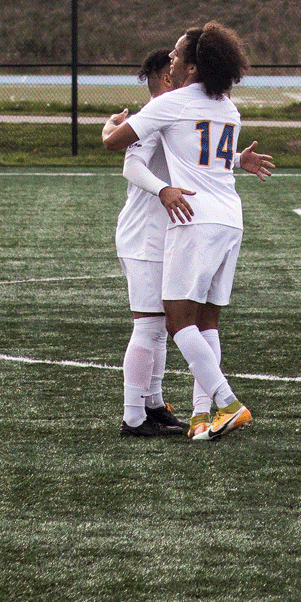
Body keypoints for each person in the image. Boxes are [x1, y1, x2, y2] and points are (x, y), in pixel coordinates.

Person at [102, 22, 272, 441]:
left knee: (175, 323)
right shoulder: (227, 107)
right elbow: (201, 153)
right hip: (228, 217)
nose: (172, 60)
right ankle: (198, 417)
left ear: (194, 66)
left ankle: (225, 404)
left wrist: (107, 127)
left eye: (178, 55)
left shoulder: (172, 104)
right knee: (203, 323)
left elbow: (113, 145)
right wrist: (236, 161)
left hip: (192, 220)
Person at [114, 49, 188, 437]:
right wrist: (163, 190)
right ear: (166, 78)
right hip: (145, 234)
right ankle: (133, 417)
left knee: (159, 325)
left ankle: (154, 403)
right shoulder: (157, 115)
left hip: (163, 233)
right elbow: (132, 164)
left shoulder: (172, 112)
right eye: (175, 69)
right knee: (148, 325)